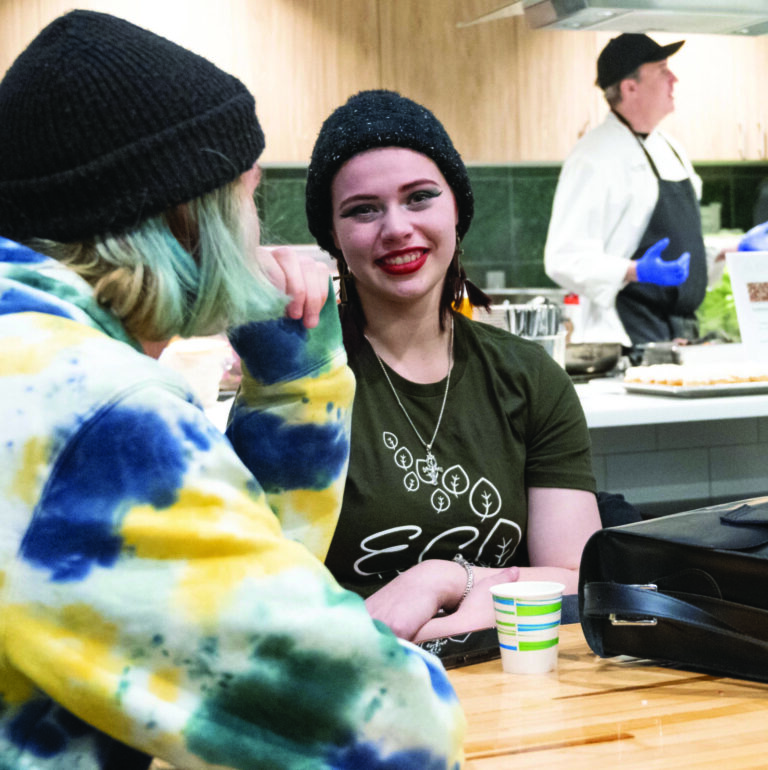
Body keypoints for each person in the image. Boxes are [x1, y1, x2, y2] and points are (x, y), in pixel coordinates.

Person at [0, 12, 465, 770]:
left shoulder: (26, 356)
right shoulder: (94, 416)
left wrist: (295, 385)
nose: (263, 233)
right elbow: (392, 729)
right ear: (189, 216)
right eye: (250, 197)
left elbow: (240, 623)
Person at [304, 89, 602, 644]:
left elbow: (578, 578)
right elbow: (257, 593)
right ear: (334, 237)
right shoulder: (300, 382)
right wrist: (493, 595)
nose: (396, 228)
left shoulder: (529, 379)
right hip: (351, 692)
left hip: (516, 685)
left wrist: (444, 580)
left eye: (419, 197)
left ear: (457, 210)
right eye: (363, 209)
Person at [544, 33, 725, 351]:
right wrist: (635, 270)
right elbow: (563, 258)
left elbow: (680, 257)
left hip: (683, 333)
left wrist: (728, 253)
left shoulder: (671, 148)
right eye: (662, 70)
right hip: (628, 338)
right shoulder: (592, 157)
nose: (674, 79)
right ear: (630, 87)